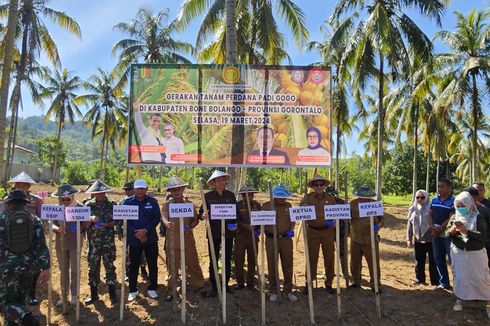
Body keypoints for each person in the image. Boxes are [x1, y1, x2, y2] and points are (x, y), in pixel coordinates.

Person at [0, 190, 50, 325]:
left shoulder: (1, 219)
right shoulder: (35, 220)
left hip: (5, 269)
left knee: (5, 304)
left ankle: (28, 319)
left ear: (9, 203)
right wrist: (45, 268)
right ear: (25, 204)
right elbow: (41, 246)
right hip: (29, 268)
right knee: (21, 301)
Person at [161, 176, 206, 301]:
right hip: (173, 241)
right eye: (173, 190)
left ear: (183, 190)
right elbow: (164, 216)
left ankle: (200, 286)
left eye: (178, 189)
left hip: (188, 241)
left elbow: (195, 220)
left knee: (193, 265)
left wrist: (191, 226)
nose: (176, 192)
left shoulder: (189, 205)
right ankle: (171, 289)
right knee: (173, 267)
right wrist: (167, 223)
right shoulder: (167, 205)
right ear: (170, 191)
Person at [446, 191, 490, 318]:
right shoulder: (454, 217)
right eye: (458, 205)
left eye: (462, 205)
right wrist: (452, 231)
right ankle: (460, 300)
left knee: (482, 278)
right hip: (459, 253)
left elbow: (482, 236)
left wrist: (467, 231)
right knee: (460, 277)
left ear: (469, 204)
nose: (460, 208)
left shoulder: (478, 217)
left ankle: (488, 304)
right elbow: (447, 234)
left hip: (476, 254)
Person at [198, 170, 238, 297]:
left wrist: (235, 224)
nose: (221, 182)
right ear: (213, 183)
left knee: (227, 259)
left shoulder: (231, 195)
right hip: (213, 232)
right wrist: (202, 216)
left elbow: (235, 213)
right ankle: (215, 287)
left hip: (228, 233)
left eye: (222, 180)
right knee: (213, 259)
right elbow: (200, 213)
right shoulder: (207, 196)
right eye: (218, 180)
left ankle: (225, 285)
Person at [121, 179, 161, 301]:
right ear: (134, 189)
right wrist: (138, 233)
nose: (140, 191)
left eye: (142, 188)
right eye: (138, 188)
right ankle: (133, 290)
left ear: (146, 189)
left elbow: (156, 218)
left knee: (152, 264)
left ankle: (152, 288)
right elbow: (124, 220)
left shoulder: (152, 201)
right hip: (134, 239)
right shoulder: (126, 202)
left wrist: (145, 231)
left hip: (150, 239)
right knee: (133, 265)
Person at [7, 172, 43, 306]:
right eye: (18, 185)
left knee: (34, 268)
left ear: (29, 186)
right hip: (13, 239)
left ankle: (31, 294)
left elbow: (41, 218)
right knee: (13, 267)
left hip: (32, 239)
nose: (21, 187)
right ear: (15, 185)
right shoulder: (8, 199)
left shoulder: (37, 200)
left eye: (24, 185)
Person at [300, 175, 337, 294]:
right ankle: (309, 283)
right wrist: (303, 208)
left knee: (329, 257)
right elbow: (299, 213)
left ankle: (329, 283)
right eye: (316, 185)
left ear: (324, 186)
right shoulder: (307, 198)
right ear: (313, 186)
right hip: (312, 231)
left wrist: (335, 222)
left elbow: (336, 213)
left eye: (321, 184)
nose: (319, 187)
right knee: (311, 257)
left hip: (327, 231)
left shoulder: (331, 199)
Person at [84, 180, 118, 305]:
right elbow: (83, 223)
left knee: (109, 266)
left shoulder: (112, 204)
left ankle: (113, 294)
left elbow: (116, 221)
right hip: (93, 242)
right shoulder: (88, 205)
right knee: (93, 267)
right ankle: (93, 295)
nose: (99, 194)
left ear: (105, 192)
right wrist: (90, 219)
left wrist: (105, 225)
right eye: (97, 192)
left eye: (101, 191)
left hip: (108, 242)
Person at [51, 184, 85, 307]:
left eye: (67, 199)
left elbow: (86, 225)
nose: (65, 202)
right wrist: (56, 228)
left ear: (73, 197)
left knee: (75, 270)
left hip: (75, 242)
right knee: (63, 270)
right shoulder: (56, 208)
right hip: (61, 243)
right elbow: (51, 223)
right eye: (62, 199)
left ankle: (74, 296)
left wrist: (89, 220)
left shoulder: (80, 207)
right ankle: (64, 296)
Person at [262, 184, 297, 302]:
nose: (283, 199)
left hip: (286, 239)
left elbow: (293, 220)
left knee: (288, 264)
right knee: (272, 264)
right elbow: (260, 220)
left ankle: (288, 290)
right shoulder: (266, 206)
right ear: (274, 197)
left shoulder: (288, 206)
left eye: (284, 197)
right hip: (271, 239)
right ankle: (273, 290)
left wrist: (292, 229)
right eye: (280, 197)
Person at [349, 184, 384, 291]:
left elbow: (382, 220)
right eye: (362, 196)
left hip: (371, 239)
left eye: (367, 196)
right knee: (355, 261)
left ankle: (375, 283)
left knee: (373, 262)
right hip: (355, 238)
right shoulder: (352, 204)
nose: (364, 198)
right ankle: (356, 281)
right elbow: (346, 218)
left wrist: (378, 225)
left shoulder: (375, 205)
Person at [118, 182, 149, 281]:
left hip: (141, 232)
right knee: (127, 253)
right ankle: (128, 272)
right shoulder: (123, 202)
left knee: (143, 252)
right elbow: (119, 218)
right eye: (125, 189)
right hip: (128, 232)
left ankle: (143, 269)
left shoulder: (143, 200)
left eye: (129, 189)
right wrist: (119, 231)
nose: (127, 191)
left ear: (134, 189)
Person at [406, 190, 438, 286]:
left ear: (427, 197)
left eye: (422, 197)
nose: (420, 199)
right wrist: (408, 238)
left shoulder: (432, 209)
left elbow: (435, 222)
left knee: (433, 260)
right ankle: (420, 279)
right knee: (419, 260)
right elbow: (409, 225)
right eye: (417, 197)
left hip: (431, 239)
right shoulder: (413, 209)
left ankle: (435, 281)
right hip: (418, 239)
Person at [428, 179, 455, 290]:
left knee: (452, 259)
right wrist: (432, 227)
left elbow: (451, 217)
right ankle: (444, 282)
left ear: (449, 188)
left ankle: (458, 283)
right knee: (438, 258)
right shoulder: (434, 199)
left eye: (442, 186)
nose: (439, 189)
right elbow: (430, 214)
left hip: (447, 234)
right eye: (438, 186)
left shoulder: (453, 201)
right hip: (435, 234)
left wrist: (440, 228)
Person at [234, 184, 261, 290]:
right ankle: (239, 283)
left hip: (253, 238)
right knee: (239, 260)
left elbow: (261, 219)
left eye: (251, 195)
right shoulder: (237, 206)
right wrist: (246, 226)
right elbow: (235, 220)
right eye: (246, 195)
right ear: (242, 196)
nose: (248, 197)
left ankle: (250, 283)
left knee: (252, 260)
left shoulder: (257, 206)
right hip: (240, 237)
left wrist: (257, 230)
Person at [469, 186, 490, 269]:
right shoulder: (463, 208)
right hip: (472, 244)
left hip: (486, 242)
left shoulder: (485, 209)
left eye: (480, 190)